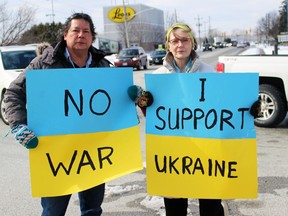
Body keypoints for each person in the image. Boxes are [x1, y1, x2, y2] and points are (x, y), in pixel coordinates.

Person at [128, 22, 261, 216]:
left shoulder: (209, 73)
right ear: (168, 45)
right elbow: (157, 119)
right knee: (175, 208)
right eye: (175, 41)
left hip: (208, 152)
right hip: (173, 154)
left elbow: (225, 108)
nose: (180, 45)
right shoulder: (159, 77)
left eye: (184, 40)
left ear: (193, 43)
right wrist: (143, 103)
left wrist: (249, 109)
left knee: (211, 207)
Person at [4, 12, 111, 216]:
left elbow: (114, 104)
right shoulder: (43, 64)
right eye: (75, 30)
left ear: (92, 37)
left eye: (86, 31)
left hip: (94, 154)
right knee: (53, 212)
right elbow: (13, 93)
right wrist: (18, 124)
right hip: (56, 155)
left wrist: (132, 98)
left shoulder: (102, 65)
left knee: (92, 210)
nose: (81, 35)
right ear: (65, 35)